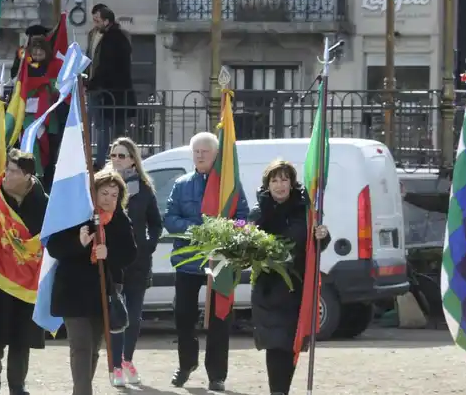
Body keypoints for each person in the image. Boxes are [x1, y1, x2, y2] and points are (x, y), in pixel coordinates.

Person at [164, 131, 249, 392]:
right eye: (196, 152)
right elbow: (170, 218)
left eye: (205, 152)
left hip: (220, 262)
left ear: (216, 155)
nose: (200, 156)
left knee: (219, 319)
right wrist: (197, 230)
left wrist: (227, 231)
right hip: (188, 261)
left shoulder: (229, 185)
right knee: (184, 317)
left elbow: (243, 217)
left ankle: (217, 375)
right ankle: (186, 364)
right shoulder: (181, 184)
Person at [49, 168, 137, 395]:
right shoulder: (76, 214)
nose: (108, 199)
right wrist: (78, 243)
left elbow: (130, 254)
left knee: (94, 349)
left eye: (114, 195)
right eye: (104, 193)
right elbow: (54, 247)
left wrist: (110, 253)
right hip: (73, 292)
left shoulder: (120, 220)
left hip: (102, 294)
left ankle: (81, 389)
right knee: (81, 346)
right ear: (93, 192)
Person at [248, 160, 331, 395]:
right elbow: (246, 239)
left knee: (290, 344)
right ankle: (278, 391)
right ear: (267, 185)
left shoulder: (305, 210)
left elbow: (315, 245)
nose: (280, 185)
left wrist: (322, 236)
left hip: (296, 287)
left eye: (284, 179)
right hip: (268, 287)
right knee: (275, 343)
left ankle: (281, 390)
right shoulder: (259, 211)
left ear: (292, 183)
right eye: (274, 180)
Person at [0, 149, 48, 395]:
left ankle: (17, 387)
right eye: (7, 170)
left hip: (28, 281)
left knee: (20, 339)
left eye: (13, 171)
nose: (6, 175)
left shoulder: (44, 203)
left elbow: (49, 239)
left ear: (27, 175)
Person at [107, 137, 162, 386]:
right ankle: (116, 366)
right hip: (113, 260)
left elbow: (156, 223)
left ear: (132, 160)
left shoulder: (144, 188)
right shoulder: (103, 184)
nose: (117, 160)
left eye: (122, 155)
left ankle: (127, 359)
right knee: (117, 314)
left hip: (139, 261)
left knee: (135, 314)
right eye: (113, 155)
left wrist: (149, 245)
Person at [9, 24, 68, 192]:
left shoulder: (55, 63)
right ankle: (35, 178)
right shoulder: (24, 62)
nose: (36, 54)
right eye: (34, 50)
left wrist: (48, 86)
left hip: (50, 116)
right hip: (28, 114)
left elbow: (61, 85)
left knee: (50, 152)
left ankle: (47, 184)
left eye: (40, 50)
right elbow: (16, 79)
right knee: (32, 146)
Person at [86, 6, 135, 169]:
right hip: (96, 88)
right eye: (94, 19)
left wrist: (94, 83)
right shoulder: (93, 34)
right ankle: (100, 160)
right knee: (99, 126)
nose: (95, 23)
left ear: (107, 21)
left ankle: (112, 161)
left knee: (114, 128)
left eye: (97, 20)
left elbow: (108, 65)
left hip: (112, 90)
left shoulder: (117, 37)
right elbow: (90, 59)